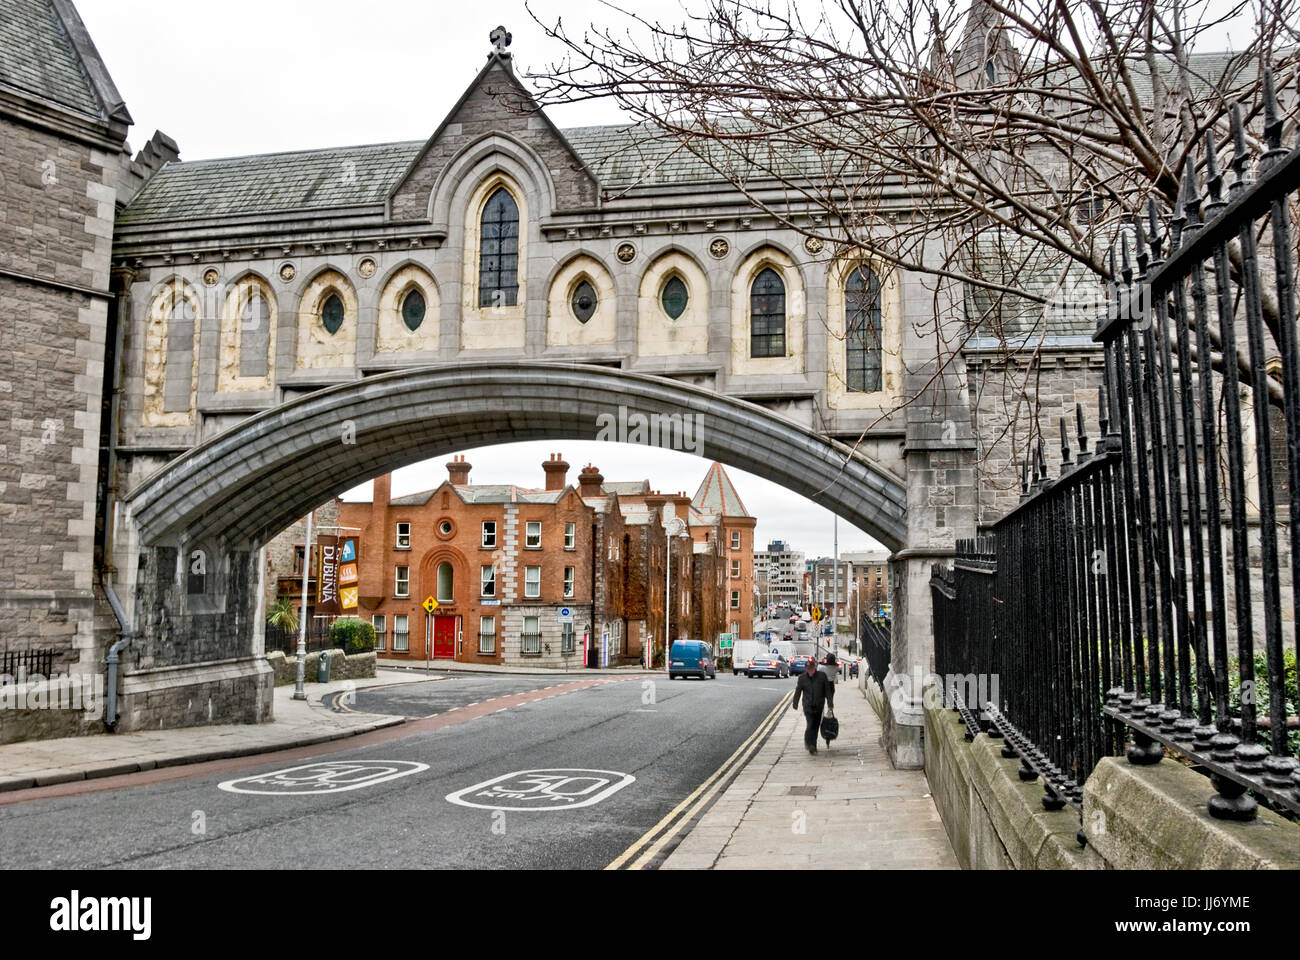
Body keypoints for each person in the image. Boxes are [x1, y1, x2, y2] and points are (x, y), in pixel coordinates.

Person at [792, 655, 835, 754]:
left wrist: (830, 704)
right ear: (806, 669)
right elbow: (798, 691)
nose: (810, 670)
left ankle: (813, 745)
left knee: (815, 726)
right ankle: (809, 744)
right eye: (808, 669)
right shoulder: (802, 678)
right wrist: (795, 703)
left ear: (814, 667)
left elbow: (827, 691)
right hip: (807, 706)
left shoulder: (822, 676)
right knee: (810, 724)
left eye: (811, 668)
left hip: (819, 705)